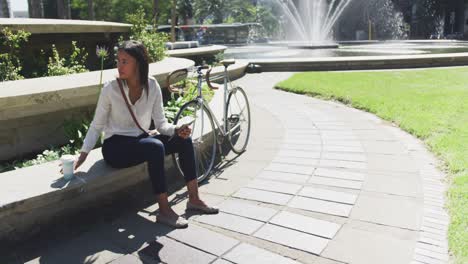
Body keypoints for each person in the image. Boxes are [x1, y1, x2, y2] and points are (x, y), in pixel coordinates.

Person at [66, 40, 218, 228]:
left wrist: (177, 129)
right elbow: (96, 125)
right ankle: (164, 211)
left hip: (140, 141)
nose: (119, 66)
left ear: (138, 63)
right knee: (155, 146)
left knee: (183, 140)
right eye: (118, 60)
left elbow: (161, 124)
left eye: (124, 61)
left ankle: (194, 199)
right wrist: (81, 157)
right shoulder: (110, 89)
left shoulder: (152, 86)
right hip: (115, 148)